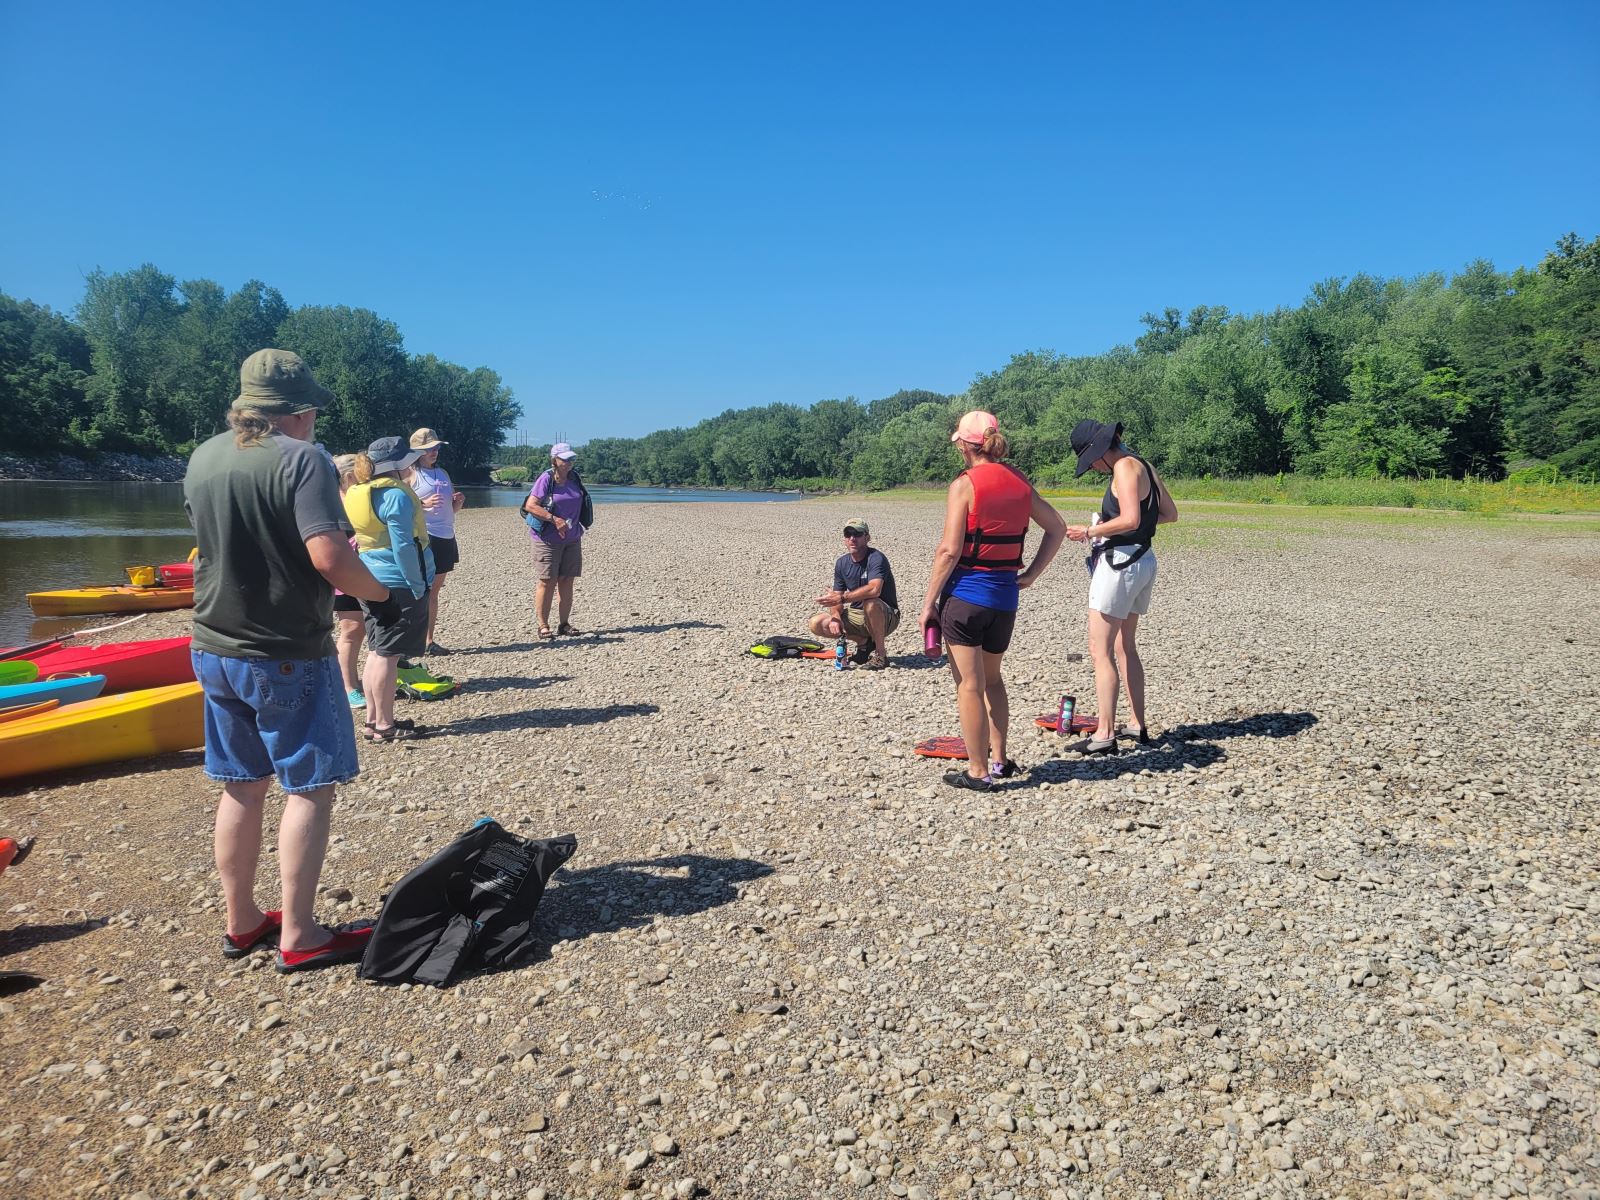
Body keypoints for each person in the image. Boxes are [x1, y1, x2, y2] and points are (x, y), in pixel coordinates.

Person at [184, 348, 394, 972]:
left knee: (242, 787)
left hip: (211, 644)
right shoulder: (302, 460)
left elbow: (207, 542)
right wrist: (382, 595)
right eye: (312, 413)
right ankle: (300, 934)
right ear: (298, 412)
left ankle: (242, 920)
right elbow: (329, 556)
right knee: (309, 787)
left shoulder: (204, 456)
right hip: (283, 651)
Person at [918, 411, 1067, 790]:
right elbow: (1058, 528)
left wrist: (928, 604)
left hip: (966, 597)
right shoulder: (1018, 480)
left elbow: (949, 551)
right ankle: (999, 760)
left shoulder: (964, 484)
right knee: (994, 680)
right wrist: (1031, 574)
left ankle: (978, 771)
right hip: (1004, 599)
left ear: (966, 446)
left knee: (969, 684)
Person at [1064, 419, 1178, 754]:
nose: (1095, 469)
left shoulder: (1124, 469)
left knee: (1100, 650)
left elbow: (1129, 519)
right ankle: (1137, 725)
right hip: (1143, 560)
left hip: (1119, 564)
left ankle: (1104, 734)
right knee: (1125, 645)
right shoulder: (1143, 464)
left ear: (1099, 453)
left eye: (1092, 462)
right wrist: (1131, 523)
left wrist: (1091, 531)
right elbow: (1168, 513)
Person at [344, 437, 436, 740]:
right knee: (388, 654)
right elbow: (404, 547)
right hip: (398, 582)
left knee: (377, 650)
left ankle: (374, 720)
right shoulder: (395, 496)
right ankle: (384, 725)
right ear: (400, 465)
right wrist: (418, 585)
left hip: (369, 579)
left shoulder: (359, 490)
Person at [807, 518, 899, 669]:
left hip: (886, 615)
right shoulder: (841, 563)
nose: (852, 538)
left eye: (857, 534)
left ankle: (881, 656)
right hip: (857, 614)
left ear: (867, 537)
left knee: (871, 602)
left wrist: (842, 598)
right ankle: (864, 643)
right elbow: (836, 597)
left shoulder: (876, 558)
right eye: (848, 534)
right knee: (816, 623)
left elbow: (874, 589)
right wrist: (836, 617)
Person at [406, 427, 466, 656]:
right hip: (424, 536)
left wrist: (457, 504)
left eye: (436, 447)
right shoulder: (410, 474)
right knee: (420, 590)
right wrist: (422, 504)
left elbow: (449, 510)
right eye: (429, 448)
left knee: (434, 591)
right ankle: (414, 639)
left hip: (446, 536)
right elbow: (400, 504)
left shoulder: (443, 473)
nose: (434, 452)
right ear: (417, 452)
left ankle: (429, 640)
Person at [521, 442, 587, 639]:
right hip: (546, 539)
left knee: (567, 580)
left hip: (572, 538)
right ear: (554, 461)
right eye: (564, 460)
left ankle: (564, 624)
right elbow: (530, 505)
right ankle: (543, 625)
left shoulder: (575, 478)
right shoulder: (546, 479)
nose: (568, 463)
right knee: (547, 581)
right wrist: (554, 519)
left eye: (571, 459)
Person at [331, 454, 367, 709]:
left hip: (360, 570)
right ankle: (347, 686)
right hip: (343, 574)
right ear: (348, 477)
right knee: (352, 629)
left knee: (359, 628)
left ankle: (350, 680)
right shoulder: (335, 502)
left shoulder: (356, 497)